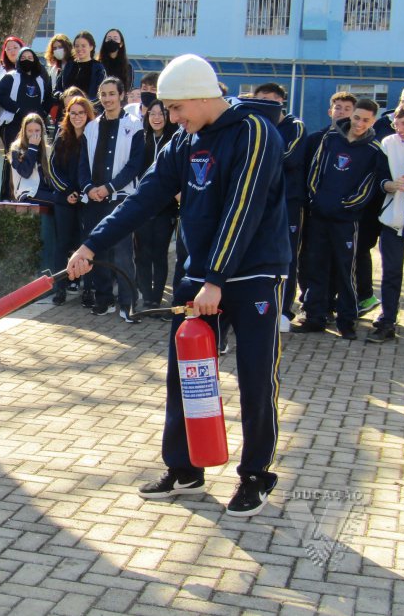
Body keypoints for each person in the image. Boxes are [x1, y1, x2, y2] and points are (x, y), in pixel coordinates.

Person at [67, 54, 290, 518]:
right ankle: (185, 468)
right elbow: (144, 197)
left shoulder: (254, 132)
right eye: (166, 109)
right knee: (186, 375)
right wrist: (91, 245)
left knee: (255, 377)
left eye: (175, 107)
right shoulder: (183, 141)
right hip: (199, 278)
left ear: (202, 96)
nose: (170, 117)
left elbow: (243, 208)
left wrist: (216, 279)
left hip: (251, 276)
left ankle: (255, 475)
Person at [293, 98, 391, 339]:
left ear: (373, 121)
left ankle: (346, 321)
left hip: (346, 221)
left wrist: (347, 206)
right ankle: (314, 317)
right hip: (319, 216)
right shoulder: (330, 139)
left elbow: (368, 186)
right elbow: (315, 171)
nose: (359, 123)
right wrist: (316, 200)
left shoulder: (374, 150)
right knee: (315, 266)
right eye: (356, 117)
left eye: (365, 120)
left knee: (346, 272)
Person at [77, 77, 144, 319]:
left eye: (112, 94)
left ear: (121, 95)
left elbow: (134, 165)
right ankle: (103, 299)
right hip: (94, 199)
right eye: (103, 94)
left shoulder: (135, 125)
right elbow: (82, 164)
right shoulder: (91, 127)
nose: (107, 99)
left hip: (121, 199)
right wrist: (88, 188)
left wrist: (109, 187)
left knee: (123, 253)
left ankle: (128, 304)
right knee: (98, 252)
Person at [252, 83, 308, 333]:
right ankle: (258, 306)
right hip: (260, 203)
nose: (263, 104)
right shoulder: (255, 125)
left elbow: (289, 158)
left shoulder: (295, 127)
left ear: (280, 102)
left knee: (287, 257)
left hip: (289, 203)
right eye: (259, 99)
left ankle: (284, 309)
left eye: (269, 99)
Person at [368, 102, 404, 343]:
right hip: (394, 218)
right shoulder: (389, 143)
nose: (400, 129)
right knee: (391, 272)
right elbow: (380, 177)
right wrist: (390, 185)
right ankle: (387, 321)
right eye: (397, 124)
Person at [49, 94, 95, 305]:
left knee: (86, 244)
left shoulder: (93, 136)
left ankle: (88, 289)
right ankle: (60, 288)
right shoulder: (62, 137)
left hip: (87, 200)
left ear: (88, 114)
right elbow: (52, 169)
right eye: (73, 113)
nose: (77, 117)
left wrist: (85, 192)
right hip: (64, 199)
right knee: (63, 245)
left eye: (81, 113)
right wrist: (67, 191)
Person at [133, 100, 178, 310]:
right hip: (142, 207)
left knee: (159, 254)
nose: (157, 118)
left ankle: (157, 298)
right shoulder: (141, 140)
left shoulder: (174, 140)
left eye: (161, 114)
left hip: (165, 208)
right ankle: (147, 298)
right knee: (142, 254)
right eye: (153, 113)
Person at [0, 47, 53, 200]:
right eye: (23, 58)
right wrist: (17, 109)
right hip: (14, 125)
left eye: (30, 57)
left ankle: (36, 190)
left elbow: (48, 98)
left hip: (35, 126)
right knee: (13, 161)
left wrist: (43, 113)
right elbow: (1, 95)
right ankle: (8, 195)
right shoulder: (10, 77)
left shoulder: (41, 80)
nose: (27, 60)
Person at [9, 113, 57, 205]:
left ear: (42, 131)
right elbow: (25, 172)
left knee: (65, 200)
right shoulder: (17, 149)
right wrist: (32, 148)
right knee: (60, 201)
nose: (34, 134)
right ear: (24, 132)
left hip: (45, 191)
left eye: (37, 130)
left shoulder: (47, 150)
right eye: (30, 131)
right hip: (27, 192)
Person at [54, 31, 106, 109]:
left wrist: (84, 105)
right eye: (77, 46)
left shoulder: (98, 68)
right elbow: (56, 90)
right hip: (67, 110)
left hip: (89, 110)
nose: (79, 49)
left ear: (91, 47)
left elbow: (101, 94)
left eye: (83, 46)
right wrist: (63, 97)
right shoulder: (68, 66)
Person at [98, 28, 133, 94]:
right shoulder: (98, 65)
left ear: (121, 44)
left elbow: (127, 90)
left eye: (115, 38)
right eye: (109, 38)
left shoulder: (127, 67)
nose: (111, 41)